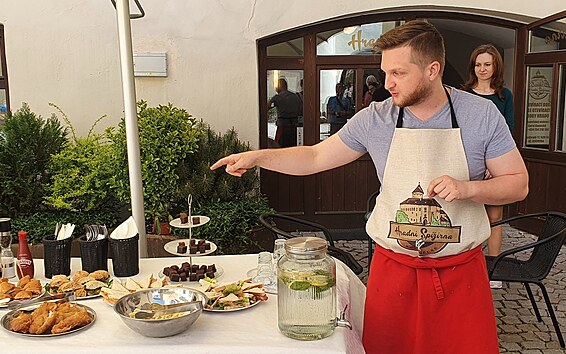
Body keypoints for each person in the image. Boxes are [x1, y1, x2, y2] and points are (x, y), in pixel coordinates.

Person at [212, 20, 528, 353]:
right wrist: (259, 157)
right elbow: (316, 156)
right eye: (386, 72)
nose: (387, 83)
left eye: (399, 73)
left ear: (433, 69)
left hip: (459, 275)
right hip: (394, 275)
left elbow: (518, 184)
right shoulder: (376, 118)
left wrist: (469, 189)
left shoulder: (481, 114)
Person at [461, 44, 515, 289]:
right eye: (478, 64)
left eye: (487, 64)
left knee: (495, 217)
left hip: (495, 167)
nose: (482, 69)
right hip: (468, 165)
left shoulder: (505, 95)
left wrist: (497, 167)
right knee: (466, 215)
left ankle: (493, 268)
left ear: (496, 67)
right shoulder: (463, 94)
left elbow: (509, 133)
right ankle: (465, 266)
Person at [269, 78, 302, 147]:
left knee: (279, 147)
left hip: (282, 127)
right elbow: (300, 109)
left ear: (280, 86)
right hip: (294, 127)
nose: (275, 88)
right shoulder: (295, 96)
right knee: (293, 147)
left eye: (276, 86)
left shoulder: (277, 97)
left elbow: (265, 108)